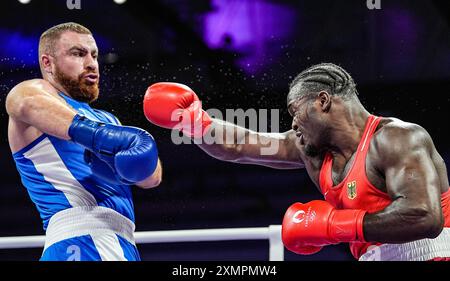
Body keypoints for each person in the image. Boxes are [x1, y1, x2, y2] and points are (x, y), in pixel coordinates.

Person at [142, 63, 450, 261]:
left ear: (323, 101)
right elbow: (239, 145)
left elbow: (424, 217)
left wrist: (333, 227)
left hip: (430, 254)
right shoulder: (313, 151)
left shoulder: (397, 137)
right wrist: (195, 122)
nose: (293, 125)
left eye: (295, 111)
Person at [5, 22, 162, 261]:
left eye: (94, 55)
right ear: (48, 63)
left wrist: (140, 148)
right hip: (80, 240)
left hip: (122, 243)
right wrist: (100, 138)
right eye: (78, 54)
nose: (91, 63)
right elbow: (21, 100)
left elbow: (152, 178)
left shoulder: (108, 119)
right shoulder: (39, 95)